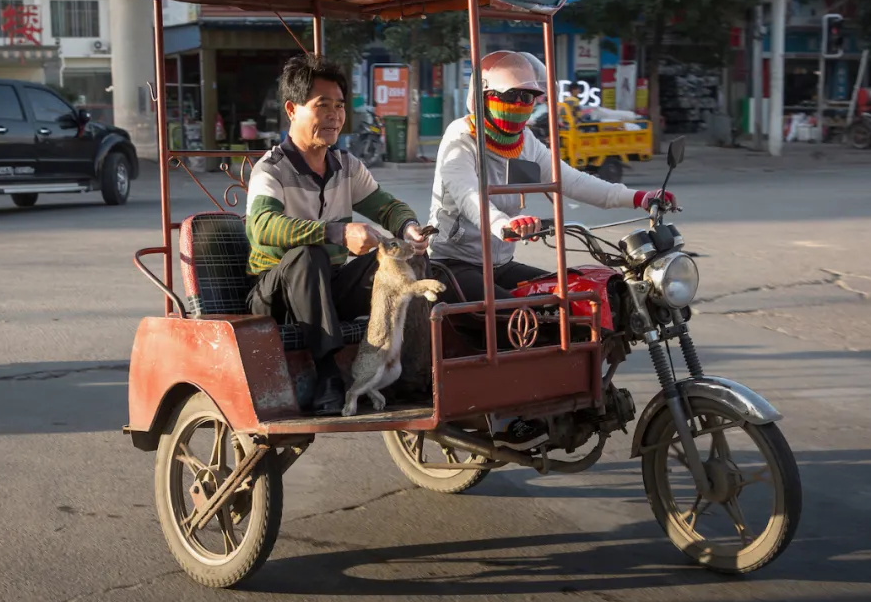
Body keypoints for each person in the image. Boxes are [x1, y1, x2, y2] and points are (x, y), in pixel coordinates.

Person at [244, 54, 429, 416]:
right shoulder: (271, 169)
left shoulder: (347, 166)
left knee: (408, 262)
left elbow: (387, 207)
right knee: (308, 254)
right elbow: (262, 226)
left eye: (340, 106)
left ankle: (414, 370)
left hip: (327, 289)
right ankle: (328, 374)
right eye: (322, 105)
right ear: (292, 109)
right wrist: (337, 232)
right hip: (275, 294)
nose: (334, 115)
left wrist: (409, 228)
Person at [427, 50, 678, 304]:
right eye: (511, 96)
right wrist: (504, 224)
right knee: (517, 318)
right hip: (451, 264)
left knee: (570, 299)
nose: (520, 104)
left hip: (500, 264)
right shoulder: (461, 137)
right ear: (482, 98)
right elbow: (469, 197)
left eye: (528, 97)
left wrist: (638, 197)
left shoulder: (526, 143)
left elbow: (573, 181)